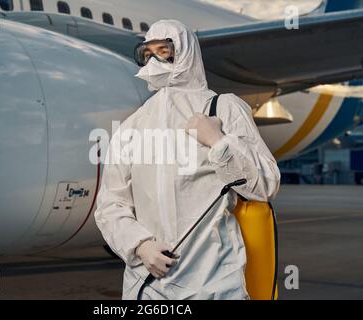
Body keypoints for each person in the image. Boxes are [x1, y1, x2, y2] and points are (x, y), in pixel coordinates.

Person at [94, 19, 280, 300]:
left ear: (185, 51)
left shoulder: (223, 108)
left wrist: (219, 143)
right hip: (146, 284)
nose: (154, 59)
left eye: (163, 50)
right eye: (147, 53)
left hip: (214, 282)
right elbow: (110, 204)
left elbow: (265, 185)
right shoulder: (132, 126)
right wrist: (140, 245)